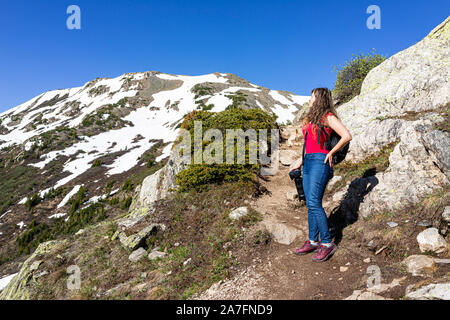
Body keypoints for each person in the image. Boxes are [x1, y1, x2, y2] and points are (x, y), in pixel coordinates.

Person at [290, 88, 352, 262]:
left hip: (320, 161)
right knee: (310, 204)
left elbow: (346, 136)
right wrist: (300, 161)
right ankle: (312, 241)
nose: (310, 99)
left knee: (314, 203)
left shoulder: (328, 117)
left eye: (312, 97)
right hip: (309, 161)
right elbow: (309, 143)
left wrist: (330, 152)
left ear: (319, 99)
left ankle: (326, 243)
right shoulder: (312, 119)